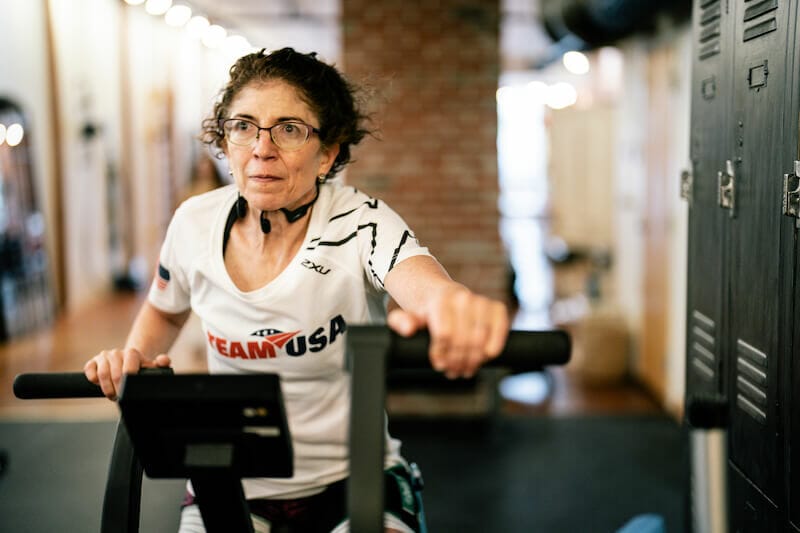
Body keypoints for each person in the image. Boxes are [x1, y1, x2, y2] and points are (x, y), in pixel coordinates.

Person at [84, 47, 509, 533]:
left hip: (356, 479)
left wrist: (452, 306)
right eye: (243, 126)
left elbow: (427, 286)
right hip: (231, 478)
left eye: (289, 129)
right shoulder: (193, 223)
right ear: (225, 140)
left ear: (327, 153)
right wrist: (131, 359)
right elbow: (164, 310)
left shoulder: (359, 221)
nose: (262, 149)